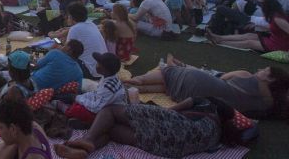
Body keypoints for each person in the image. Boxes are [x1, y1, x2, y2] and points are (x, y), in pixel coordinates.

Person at [54, 97, 243, 159]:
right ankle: (86, 151)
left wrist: (149, 112)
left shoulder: (207, 106)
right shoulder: (217, 135)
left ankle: (87, 140)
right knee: (110, 129)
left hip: (169, 125)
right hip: (166, 148)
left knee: (110, 110)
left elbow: (174, 110)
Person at [125, 59, 289, 119]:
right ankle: (135, 89)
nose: (260, 70)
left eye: (264, 70)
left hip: (203, 83)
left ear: (270, 78)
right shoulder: (268, 105)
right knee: (166, 86)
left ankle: (133, 80)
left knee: (168, 71)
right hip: (200, 99)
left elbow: (222, 78)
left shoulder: (246, 74)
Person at [61, 52, 126, 125]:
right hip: (104, 104)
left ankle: (87, 123)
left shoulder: (108, 88)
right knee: (80, 99)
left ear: (104, 69)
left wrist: (78, 98)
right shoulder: (107, 77)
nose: (96, 65)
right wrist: (80, 97)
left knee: (77, 110)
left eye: (98, 63)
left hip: (109, 112)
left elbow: (96, 108)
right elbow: (96, 93)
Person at [207, 0, 289, 52]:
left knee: (249, 43)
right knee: (249, 35)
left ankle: (220, 42)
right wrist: (257, 26)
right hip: (274, 39)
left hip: (279, 45)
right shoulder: (276, 16)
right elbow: (277, 29)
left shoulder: (277, 18)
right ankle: (219, 38)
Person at [52, 3, 107, 78]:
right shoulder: (91, 24)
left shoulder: (75, 29)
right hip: (104, 69)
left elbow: (66, 52)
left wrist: (57, 44)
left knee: (58, 57)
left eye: (68, 15)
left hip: (91, 71)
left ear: (71, 17)